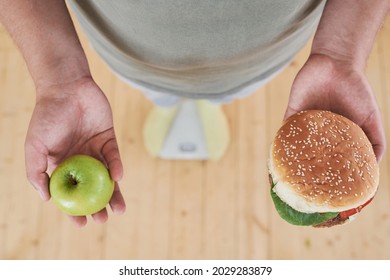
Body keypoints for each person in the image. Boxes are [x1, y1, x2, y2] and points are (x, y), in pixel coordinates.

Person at [0, 0, 388, 227]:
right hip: (128, 57)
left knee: (227, 93)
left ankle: (209, 99)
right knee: (161, 95)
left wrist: (339, 55)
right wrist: (58, 78)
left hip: (264, 60)